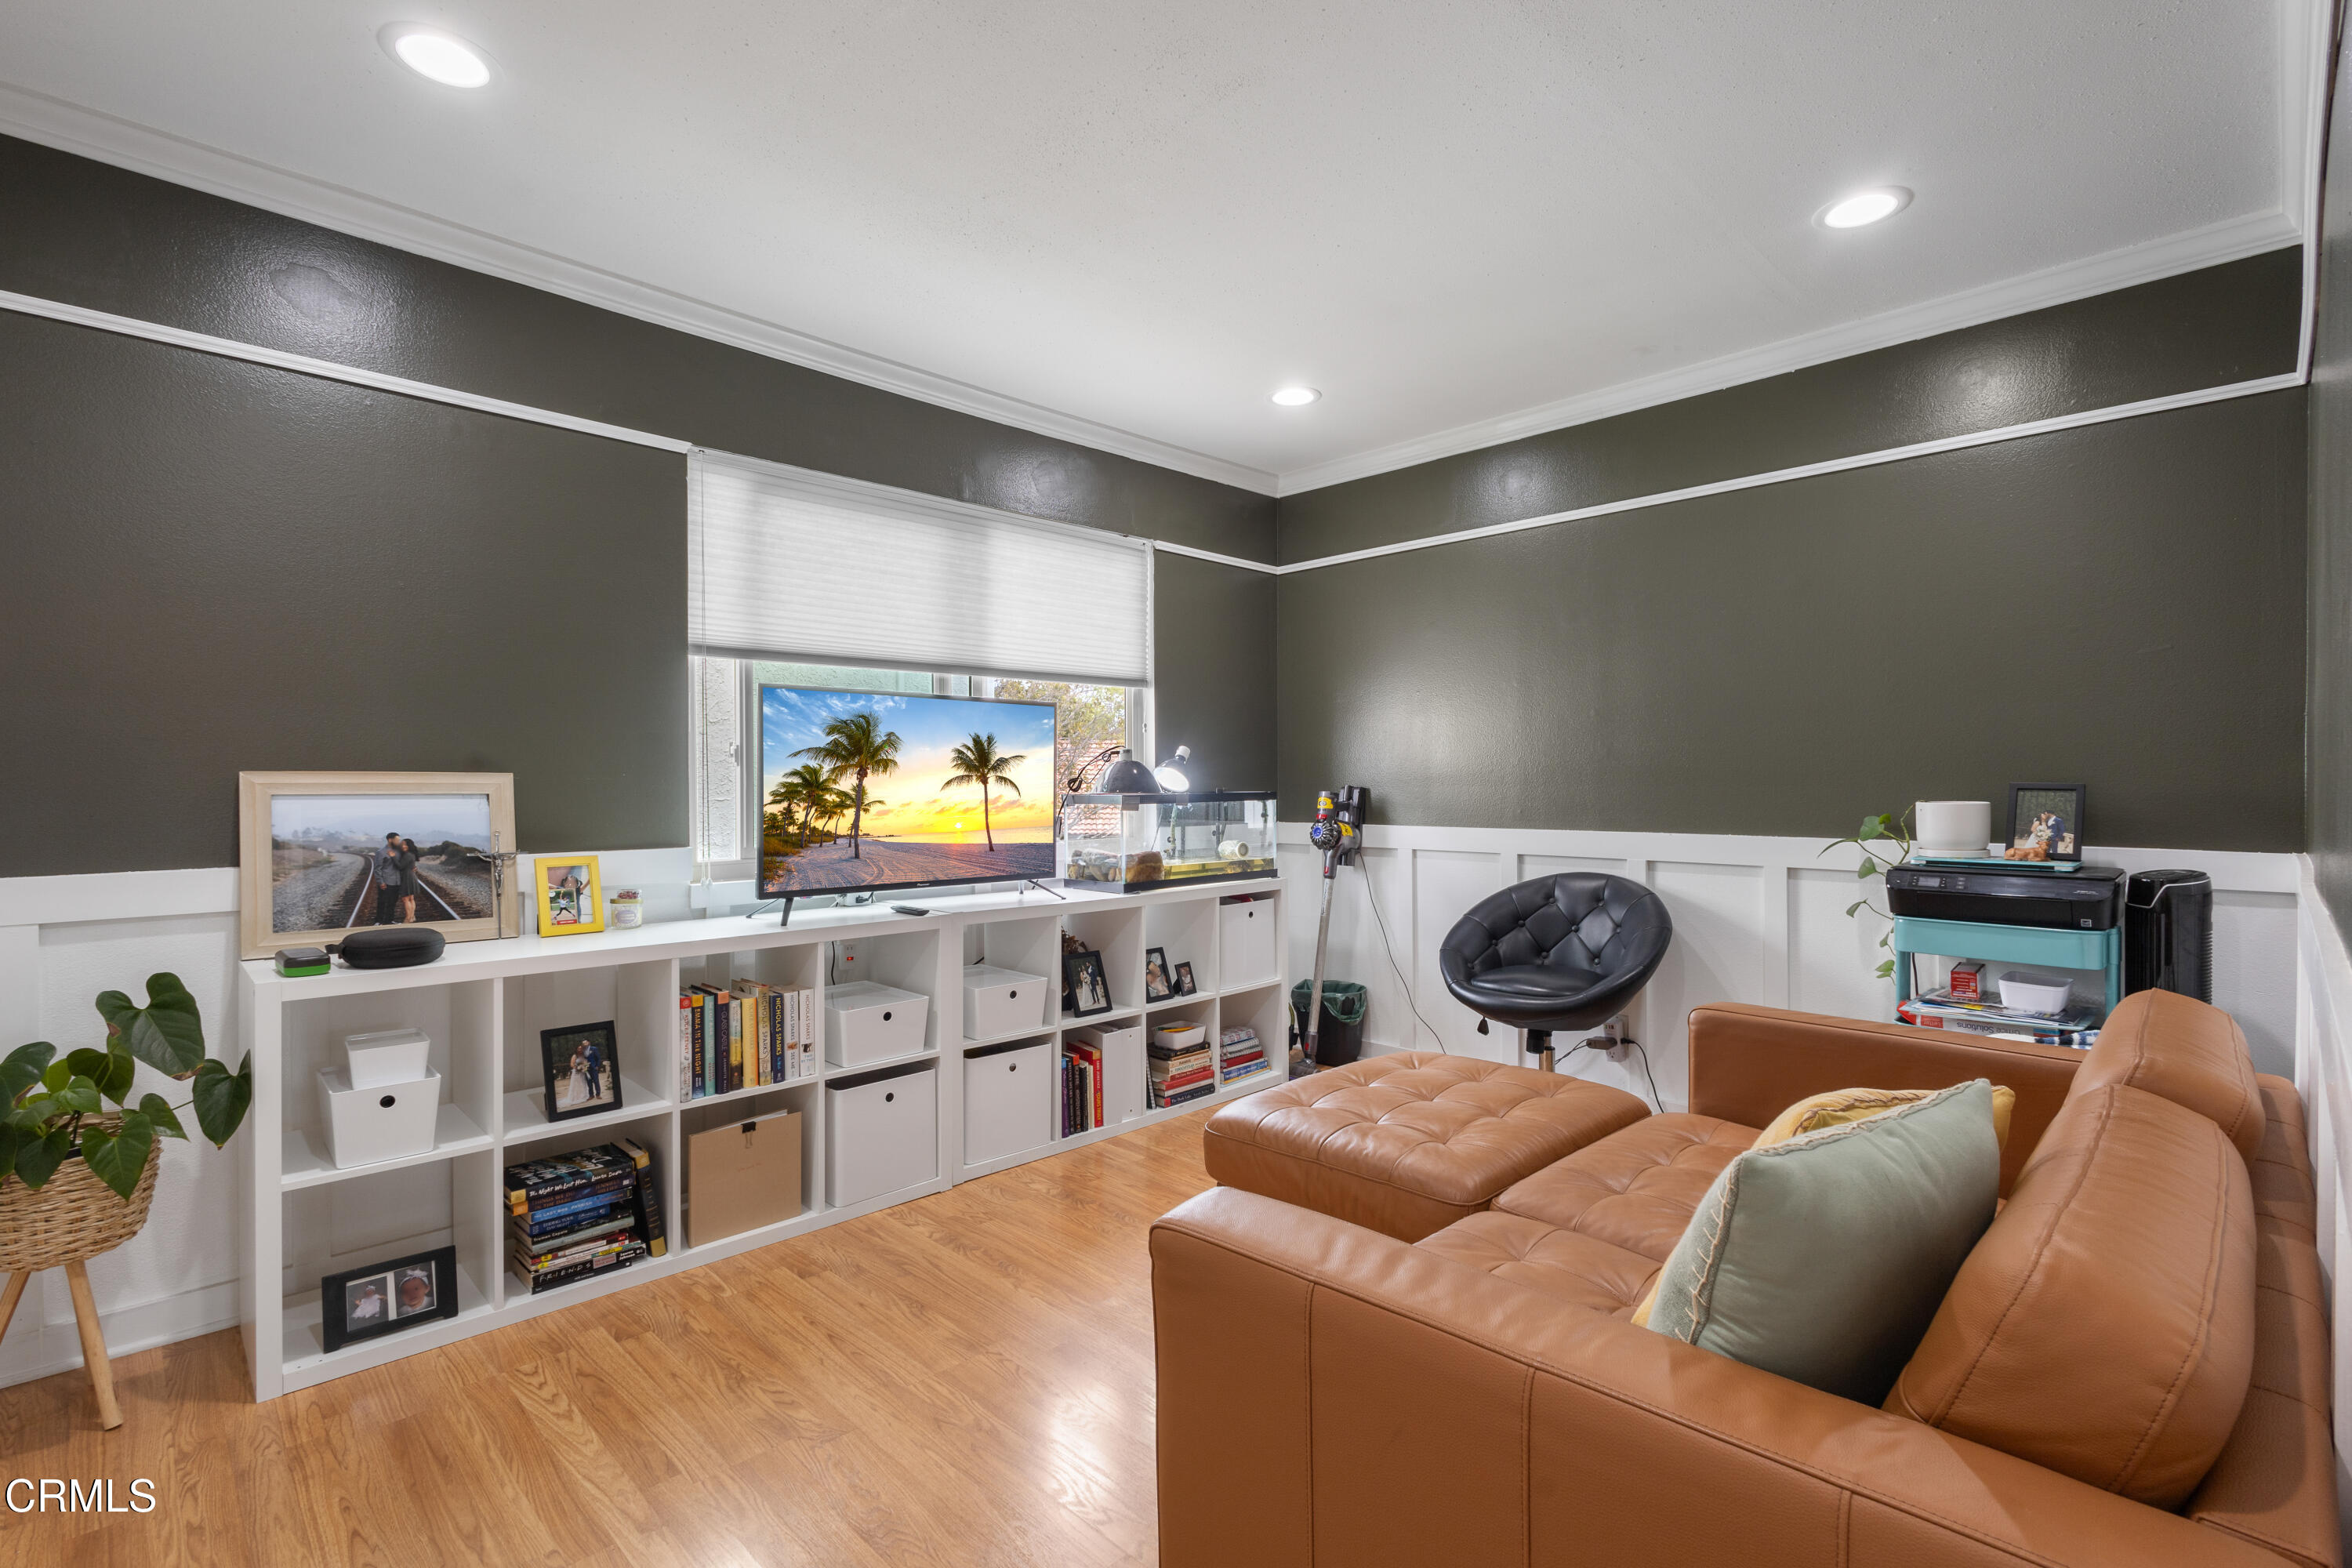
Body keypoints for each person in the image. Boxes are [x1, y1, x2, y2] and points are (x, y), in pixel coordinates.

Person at [374, 833, 402, 924]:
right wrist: (381, 882)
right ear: (390, 840)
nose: (398, 842)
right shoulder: (381, 852)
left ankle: (389, 920)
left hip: (397, 881)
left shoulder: (399, 851)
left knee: (392, 902)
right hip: (386, 881)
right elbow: (377, 869)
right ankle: (379, 921)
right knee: (382, 902)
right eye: (397, 840)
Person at [396, 837, 422, 923]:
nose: (403, 846)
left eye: (405, 845)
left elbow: (400, 866)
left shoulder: (407, 855)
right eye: (402, 844)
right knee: (411, 898)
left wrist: (393, 857)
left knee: (405, 899)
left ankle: (408, 919)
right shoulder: (411, 854)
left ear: (409, 846)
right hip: (410, 876)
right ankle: (412, 917)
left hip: (407, 878)